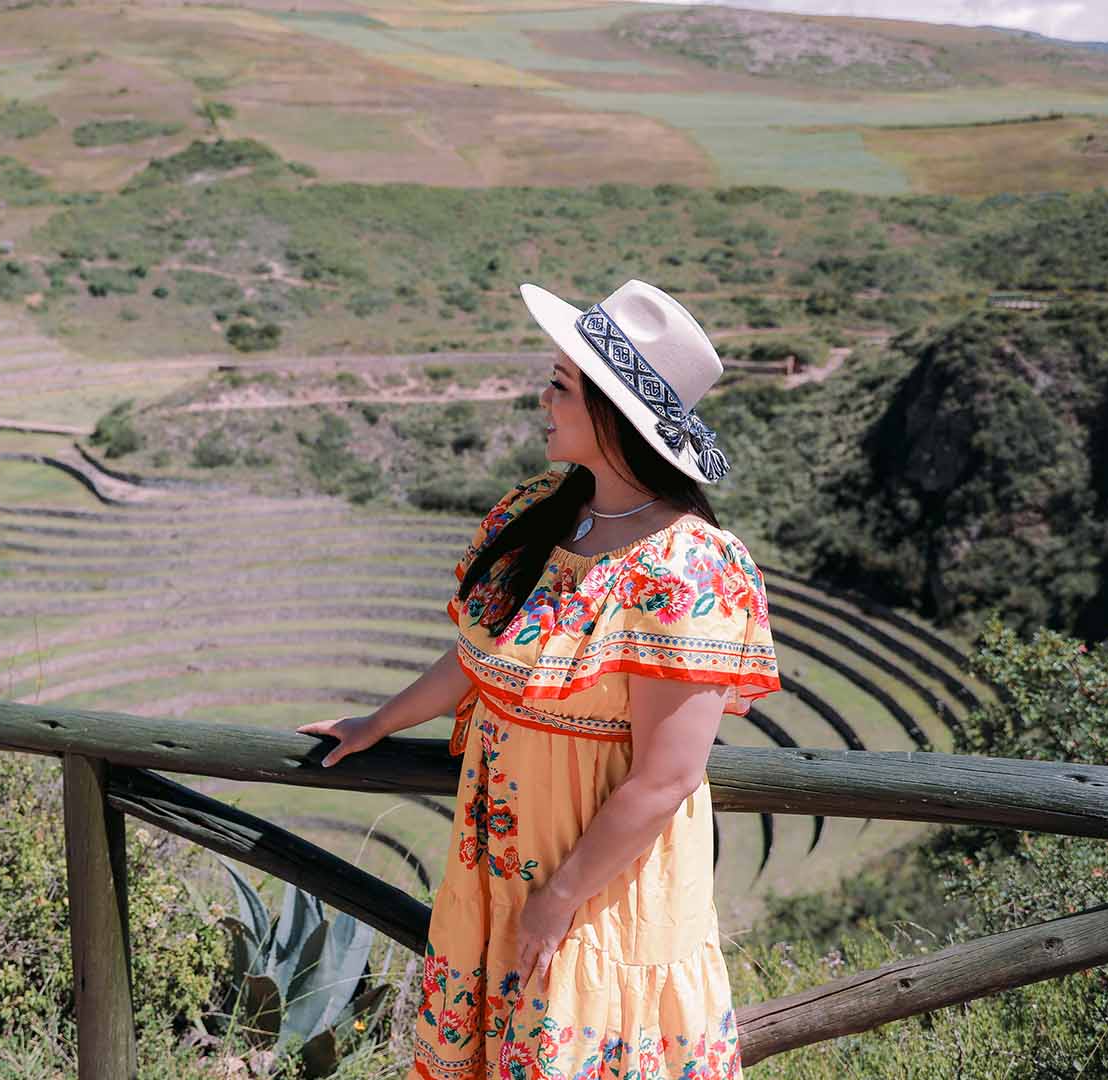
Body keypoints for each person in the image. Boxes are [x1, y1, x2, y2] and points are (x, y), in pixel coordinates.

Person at [296, 280, 781, 1080]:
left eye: (560, 384)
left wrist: (558, 899)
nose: (541, 399)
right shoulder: (542, 514)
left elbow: (668, 777)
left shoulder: (690, 567)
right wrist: (376, 723)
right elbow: (479, 656)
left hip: (596, 883)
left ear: (613, 414)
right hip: (498, 859)